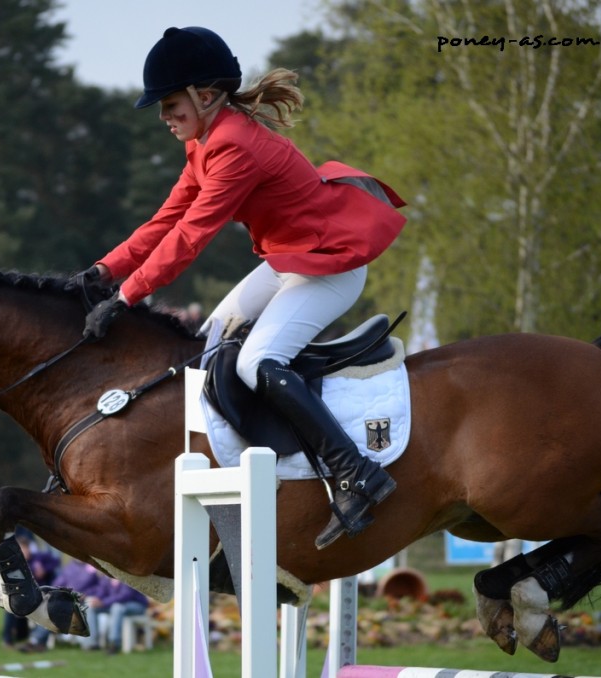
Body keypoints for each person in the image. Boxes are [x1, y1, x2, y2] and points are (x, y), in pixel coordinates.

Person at [74, 26, 406, 550]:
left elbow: (190, 238)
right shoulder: (206, 143)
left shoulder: (234, 148)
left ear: (206, 96)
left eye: (170, 104)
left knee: (256, 363)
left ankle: (354, 473)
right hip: (289, 262)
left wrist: (126, 297)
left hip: (329, 267)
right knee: (205, 345)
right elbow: (165, 220)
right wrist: (103, 271)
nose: (164, 117)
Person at [20, 560, 103, 653]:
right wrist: (60, 592)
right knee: (49, 610)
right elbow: (57, 583)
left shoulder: (92, 569)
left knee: (57, 611)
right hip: (67, 600)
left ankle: (90, 644)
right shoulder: (69, 567)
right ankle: (36, 641)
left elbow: (99, 587)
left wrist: (86, 594)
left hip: (84, 602)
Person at [83, 577, 151, 654]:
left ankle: (114, 644)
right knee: (91, 608)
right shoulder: (107, 577)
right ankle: (92, 644)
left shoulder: (128, 576)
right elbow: (102, 592)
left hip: (137, 605)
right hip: (115, 604)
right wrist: (97, 600)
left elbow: (125, 596)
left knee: (117, 608)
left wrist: (103, 603)